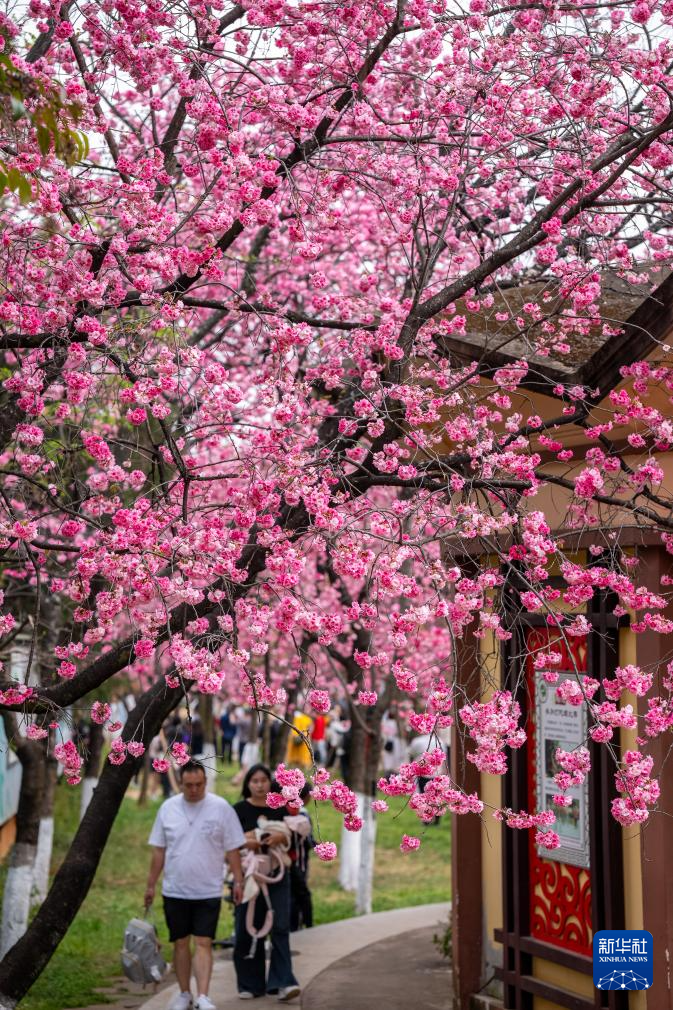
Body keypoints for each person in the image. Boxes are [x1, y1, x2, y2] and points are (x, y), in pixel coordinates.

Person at [145, 760, 246, 1010]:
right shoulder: (168, 808)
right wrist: (150, 886)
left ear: (205, 782)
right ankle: (183, 993)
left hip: (208, 888)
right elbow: (159, 851)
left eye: (198, 785)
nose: (193, 790)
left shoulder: (221, 808)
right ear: (180, 782)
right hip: (175, 889)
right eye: (188, 785)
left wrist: (239, 880)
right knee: (180, 942)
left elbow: (233, 848)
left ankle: (203, 996)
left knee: (203, 942)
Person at [233, 765, 301, 1002]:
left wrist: (282, 837)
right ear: (247, 784)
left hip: (278, 874)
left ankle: (283, 982)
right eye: (254, 781)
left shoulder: (280, 808)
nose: (260, 785)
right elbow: (230, 842)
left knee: (280, 926)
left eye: (263, 780)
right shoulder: (239, 809)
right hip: (248, 875)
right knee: (248, 926)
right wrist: (248, 841)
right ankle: (250, 984)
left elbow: (294, 838)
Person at [287, 785, 314, 931]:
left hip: (288, 861)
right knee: (302, 894)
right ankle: (306, 924)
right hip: (300, 861)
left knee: (292, 894)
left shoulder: (288, 810)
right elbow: (308, 839)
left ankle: (294, 925)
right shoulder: (302, 814)